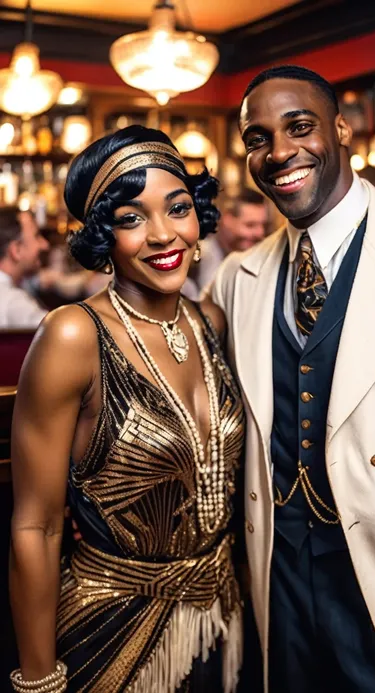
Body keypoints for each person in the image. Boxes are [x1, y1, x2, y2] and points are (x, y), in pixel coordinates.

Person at [211, 65, 375, 693]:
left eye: (299, 127)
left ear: (343, 129)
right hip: (278, 585)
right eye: (257, 138)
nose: (278, 152)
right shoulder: (236, 278)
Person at [9, 125, 244, 693]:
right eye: (131, 218)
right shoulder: (73, 335)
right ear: (101, 235)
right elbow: (35, 526)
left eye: (178, 208)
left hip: (224, 621)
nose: (163, 235)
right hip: (112, 634)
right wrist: (40, 681)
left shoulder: (208, 321)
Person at [183, 188, 268, 299]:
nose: (260, 233)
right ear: (227, 219)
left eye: (264, 226)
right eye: (250, 225)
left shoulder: (261, 257)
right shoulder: (199, 257)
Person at [0, 206, 49, 328]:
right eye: (37, 236)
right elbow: (58, 333)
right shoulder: (13, 302)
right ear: (16, 250)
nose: (45, 245)